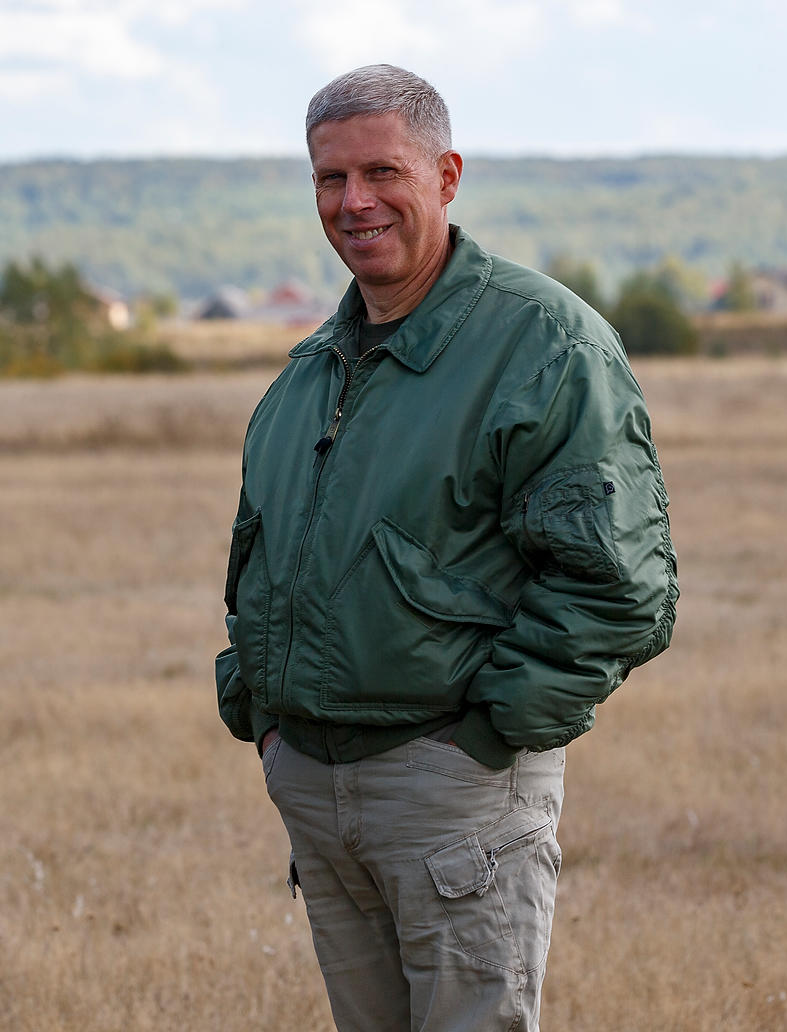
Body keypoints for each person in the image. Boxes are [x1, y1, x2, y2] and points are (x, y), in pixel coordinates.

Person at [215, 64, 678, 1031]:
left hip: (457, 788)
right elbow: (260, 565)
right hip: (316, 789)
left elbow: (619, 586)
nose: (354, 202)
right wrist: (264, 721)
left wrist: (483, 743)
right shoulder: (310, 372)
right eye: (330, 178)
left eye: (382, 171)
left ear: (448, 176)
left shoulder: (543, 344)